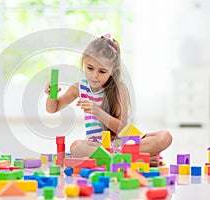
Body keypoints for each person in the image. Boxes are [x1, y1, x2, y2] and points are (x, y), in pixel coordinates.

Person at [45, 34, 172, 166]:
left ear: (113, 70)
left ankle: (118, 157)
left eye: (102, 71)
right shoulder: (80, 87)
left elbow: (122, 129)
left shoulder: (119, 89)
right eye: (89, 68)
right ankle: (131, 158)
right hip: (97, 145)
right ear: (83, 64)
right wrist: (51, 95)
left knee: (164, 136)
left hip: (124, 143)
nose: (94, 75)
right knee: (76, 147)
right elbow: (52, 108)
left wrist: (98, 111)